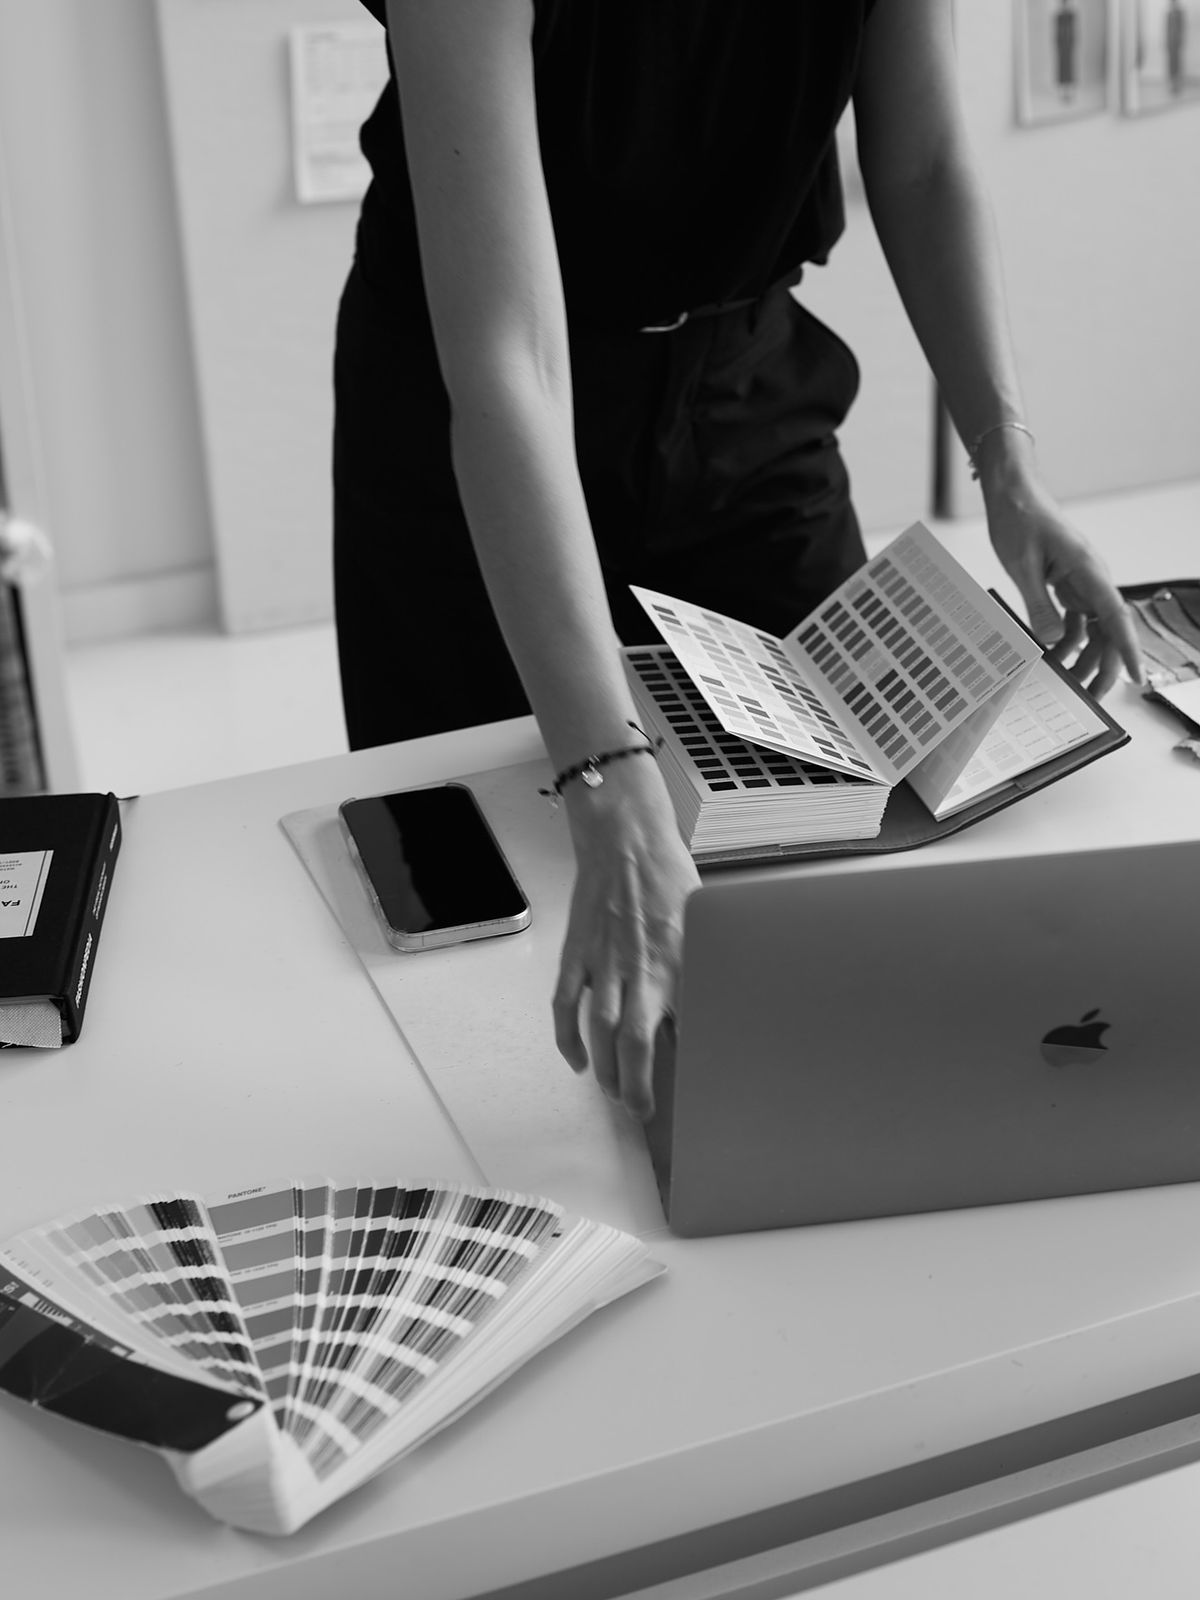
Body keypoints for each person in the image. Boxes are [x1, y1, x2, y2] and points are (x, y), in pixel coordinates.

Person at [334, 0, 1144, 1123]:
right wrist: (605, 779)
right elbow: (511, 362)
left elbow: (921, 164)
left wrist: (1008, 464)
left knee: (843, 823)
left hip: (741, 381)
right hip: (478, 410)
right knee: (480, 875)